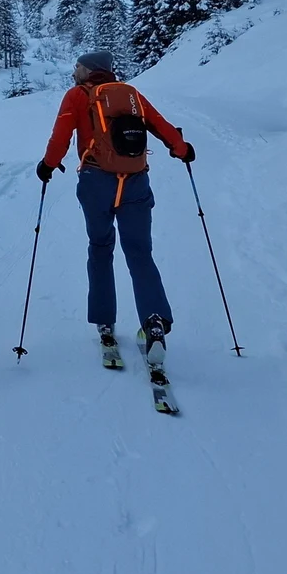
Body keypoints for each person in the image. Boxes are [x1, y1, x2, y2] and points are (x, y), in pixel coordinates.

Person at [36, 49, 193, 369]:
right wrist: (182, 149)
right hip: (135, 181)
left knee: (100, 246)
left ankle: (105, 322)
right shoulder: (131, 94)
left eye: (77, 66)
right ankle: (154, 322)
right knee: (139, 253)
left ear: (88, 70)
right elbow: (160, 125)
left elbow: (60, 137)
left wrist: (47, 166)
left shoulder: (77, 96)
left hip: (96, 182)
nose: (74, 71)